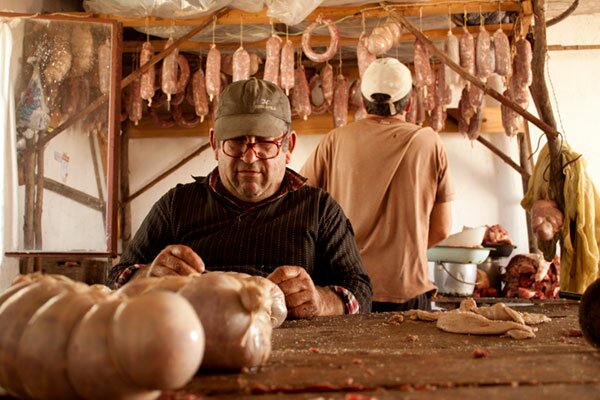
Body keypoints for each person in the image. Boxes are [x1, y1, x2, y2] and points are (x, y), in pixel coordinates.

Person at [108, 78, 372, 318]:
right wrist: (148, 276)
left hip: (297, 355)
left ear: (288, 147)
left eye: (264, 143)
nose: (249, 157)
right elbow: (115, 278)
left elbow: (360, 292)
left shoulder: (319, 209)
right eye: (235, 142)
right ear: (214, 144)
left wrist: (320, 300)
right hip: (197, 350)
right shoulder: (177, 205)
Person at [300, 58, 454, 312]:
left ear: (361, 100)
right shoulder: (429, 142)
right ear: (411, 102)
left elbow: (299, 207)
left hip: (346, 294)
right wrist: (400, 251)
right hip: (407, 291)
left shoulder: (334, 140)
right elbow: (442, 228)